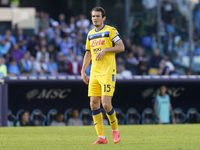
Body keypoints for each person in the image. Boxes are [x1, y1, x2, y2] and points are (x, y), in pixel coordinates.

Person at [81, 7, 124, 144]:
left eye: (98, 16)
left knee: (106, 105)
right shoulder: (90, 34)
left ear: (103, 18)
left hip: (107, 72)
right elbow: (88, 53)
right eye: (93, 16)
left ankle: (115, 131)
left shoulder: (111, 31)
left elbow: (121, 46)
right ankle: (101, 137)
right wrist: (83, 70)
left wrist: (106, 50)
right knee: (94, 104)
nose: (95, 18)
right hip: (94, 72)